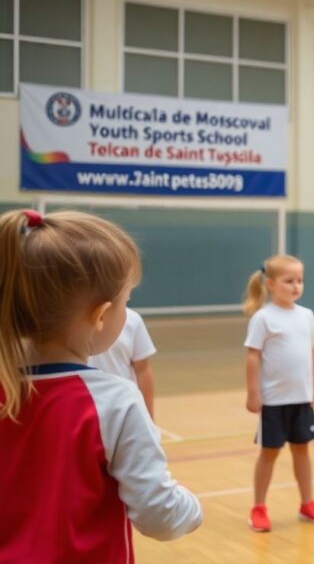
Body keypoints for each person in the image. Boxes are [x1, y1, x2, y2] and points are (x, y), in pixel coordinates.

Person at [0, 209, 202, 562]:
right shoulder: (115, 402)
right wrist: (190, 506)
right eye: (127, 301)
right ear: (100, 315)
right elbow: (160, 515)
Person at [243, 255, 314, 532]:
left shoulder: (305, 316)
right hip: (273, 401)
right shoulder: (263, 318)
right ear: (270, 283)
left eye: (300, 280)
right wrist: (253, 393)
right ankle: (258, 506)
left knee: (302, 451)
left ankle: (307, 503)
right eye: (289, 281)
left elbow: (313, 351)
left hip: (301, 399)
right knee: (269, 454)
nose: (296, 286)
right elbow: (253, 357)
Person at [89, 308, 158, 418]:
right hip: (85, 407)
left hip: (123, 408)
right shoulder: (71, 320)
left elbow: (142, 369)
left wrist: (149, 417)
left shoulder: (133, 319)